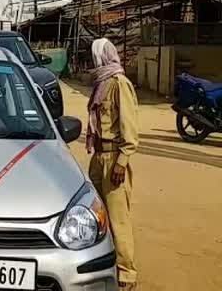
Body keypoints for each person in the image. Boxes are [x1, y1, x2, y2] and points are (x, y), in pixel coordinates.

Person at [86, 38, 139, 291]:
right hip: (98, 158)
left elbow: (130, 128)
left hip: (113, 159)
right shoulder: (101, 83)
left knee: (118, 220)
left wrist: (122, 161)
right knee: (97, 218)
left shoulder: (119, 84)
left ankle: (127, 274)